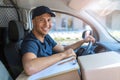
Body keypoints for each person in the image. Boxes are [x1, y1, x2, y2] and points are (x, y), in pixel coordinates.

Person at [21, 6, 95, 75]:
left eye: (49, 20)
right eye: (41, 20)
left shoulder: (46, 37)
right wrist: (63, 55)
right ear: (33, 22)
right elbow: (29, 67)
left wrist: (83, 41)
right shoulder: (30, 42)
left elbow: (63, 49)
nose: (46, 24)